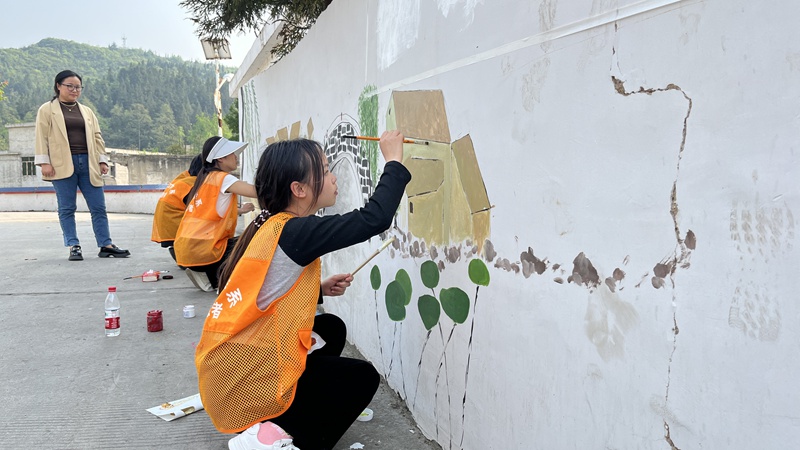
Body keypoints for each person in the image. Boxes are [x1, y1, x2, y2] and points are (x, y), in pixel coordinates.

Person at [194, 131, 411, 450]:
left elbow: (266, 294)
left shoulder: (271, 225)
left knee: (330, 328)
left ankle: (282, 419)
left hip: (229, 373)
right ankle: (282, 439)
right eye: (324, 170)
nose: (333, 176)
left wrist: (319, 290)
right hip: (241, 387)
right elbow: (373, 219)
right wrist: (393, 160)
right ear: (299, 189)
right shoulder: (295, 231)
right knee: (362, 377)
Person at [34, 70, 130, 261]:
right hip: (62, 164)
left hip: (88, 162)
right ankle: (73, 245)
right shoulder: (47, 109)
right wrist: (44, 162)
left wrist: (103, 160)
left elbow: (97, 137)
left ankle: (106, 245)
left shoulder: (86, 111)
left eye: (78, 87)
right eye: (69, 86)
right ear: (58, 86)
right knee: (67, 208)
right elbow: (41, 137)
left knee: (98, 207)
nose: (74, 90)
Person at [174, 136, 256, 292]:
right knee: (253, 239)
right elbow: (256, 192)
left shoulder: (204, 178)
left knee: (234, 243)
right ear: (221, 158)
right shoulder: (223, 178)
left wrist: (242, 210)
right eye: (232, 154)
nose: (236, 158)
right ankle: (222, 280)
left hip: (188, 248)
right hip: (204, 249)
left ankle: (206, 274)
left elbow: (210, 211)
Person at [151, 154, 204, 262]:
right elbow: (202, 209)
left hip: (168, 227)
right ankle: (186, 253)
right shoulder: (193, 184)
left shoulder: (183, 179)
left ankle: (179, 251)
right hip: (174, 227)